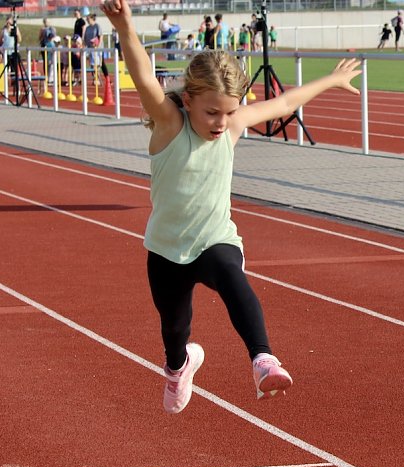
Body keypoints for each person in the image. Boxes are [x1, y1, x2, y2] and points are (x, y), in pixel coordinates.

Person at [99, 0, 361, 414]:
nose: (222, 122)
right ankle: (178, 366)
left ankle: (263, 359)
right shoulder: (170, 125)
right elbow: (143, 76)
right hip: (166, 250)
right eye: (212, 113)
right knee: (174, 329)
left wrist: (330, 80)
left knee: (231, 275)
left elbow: (284, 104)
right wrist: (125, 28)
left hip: (214, 238)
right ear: (187, 101)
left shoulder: (232, 125)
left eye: (230, 112)